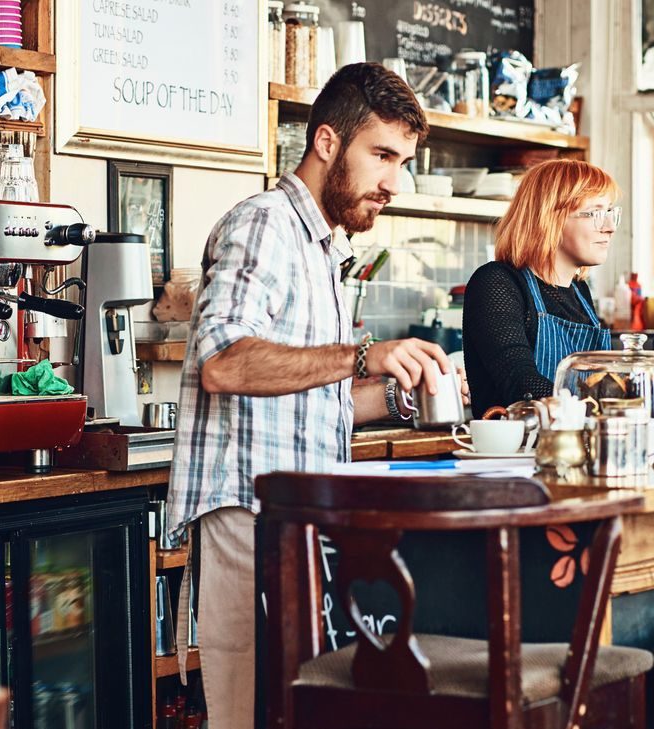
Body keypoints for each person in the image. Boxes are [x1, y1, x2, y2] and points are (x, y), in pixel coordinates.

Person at [165, 63, 455, 729]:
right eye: (381, 155)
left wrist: (404, 391)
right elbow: (222, 365)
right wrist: (361, 354)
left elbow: (314, 403)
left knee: (296, 709)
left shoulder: (322, 246)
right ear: (326, 142)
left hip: (294, 515)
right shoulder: (265, 224)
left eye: (402, 161)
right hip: (248, 510)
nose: (393, 182)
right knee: (244, 714)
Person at [463, 159, 619, 415]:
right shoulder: (497, 282)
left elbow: (593, 384)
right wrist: (605, 410)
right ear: (550, 218)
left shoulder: (580, 292)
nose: (610, 227)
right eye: (595, 213)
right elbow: (521, 383)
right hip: (513, 450)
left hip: (578, 445)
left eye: (611, 212)